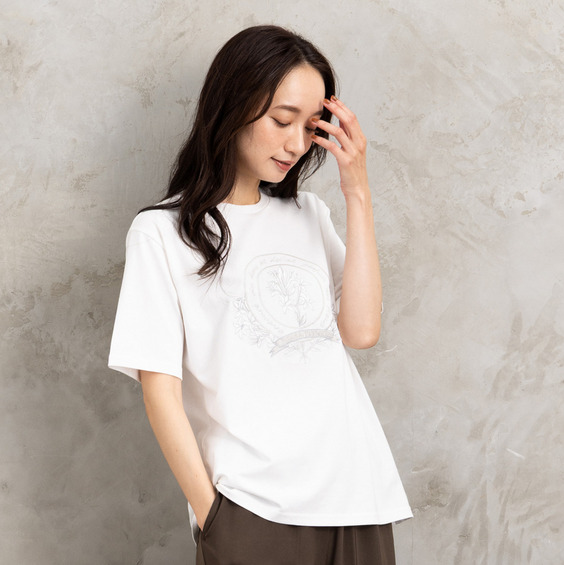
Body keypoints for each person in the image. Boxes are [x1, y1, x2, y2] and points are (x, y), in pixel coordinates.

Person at [108, 25, 412, 565]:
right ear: (233, 106)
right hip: (253, 511)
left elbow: (362, 331)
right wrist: (214, 517)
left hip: (358, 496)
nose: (297, 144)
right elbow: (160, 392)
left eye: (310, 126)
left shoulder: (309, 215)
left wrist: (357, 192)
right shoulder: (163, 233)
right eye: (281, 119)